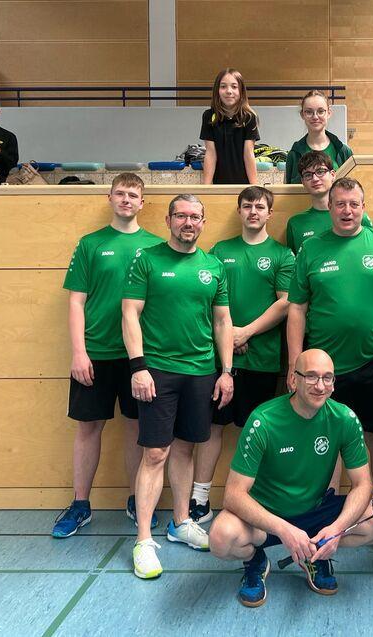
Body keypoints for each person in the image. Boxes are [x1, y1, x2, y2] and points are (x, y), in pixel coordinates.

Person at [209, 349, 373, 607]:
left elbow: (363, 485)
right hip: (267, 517)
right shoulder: (263, 421)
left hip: (316, 512)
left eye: (328, 378)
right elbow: (233, 495)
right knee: (220, 538)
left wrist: (336, 530)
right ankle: (256, 561)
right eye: (311, 377)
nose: (320, 385)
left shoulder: (345, 419)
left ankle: (314, 553)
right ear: (293, 380)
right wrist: (284, 529)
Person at [122, 194, 235, 579]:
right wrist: (138, 366)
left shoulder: (214, 267)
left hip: (201, 372)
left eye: (196, 217)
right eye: (182, 215)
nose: (189, 222)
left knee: (186, 449)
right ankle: (142, 541)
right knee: (155, 453)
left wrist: (227, 371)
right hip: (157, 371)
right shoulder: (148, 259)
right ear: (169, 220)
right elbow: (130, 313)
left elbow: (222, 322)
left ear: (203, 222)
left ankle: (181, 523)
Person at [51, 173, 164, 539]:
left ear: (143, 202)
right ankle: (81, 504)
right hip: (95, 355)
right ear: (110, 197)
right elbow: (76, 302)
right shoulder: (90, 244)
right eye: (120, 193)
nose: (126, 199)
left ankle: (136, 499)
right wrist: (79, 352)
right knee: (88, 428)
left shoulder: (157, 247)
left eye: (133, 194)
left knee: (135, 428)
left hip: (140, 359)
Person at [287, 177, 373, 486]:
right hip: (324, 368)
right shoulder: (311, 249)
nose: (348, 211)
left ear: (363, 208)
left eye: (354, 204)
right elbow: (296, 309)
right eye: (341, 204)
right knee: (325, 441)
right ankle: (326, 513)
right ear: (329, 207)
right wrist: (296, 364)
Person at [190, 186, 295, 523]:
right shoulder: (219, 251)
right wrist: (226, 340)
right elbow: (206, 300)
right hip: (220, 361)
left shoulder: (282, 255)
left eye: (260, 206)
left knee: (258, 430)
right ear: (239, 211)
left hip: (262, 360)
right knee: (212, 427)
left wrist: (245, 332)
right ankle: (200, 498)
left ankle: (254, 498)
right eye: (247, 205)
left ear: (269, 214)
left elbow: (286, 303)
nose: (253, 211)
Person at [284, 150, 373, 253]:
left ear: (332, 174)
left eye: (320, 171)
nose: (315, 178)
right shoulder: (295, 223)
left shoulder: (357, 217)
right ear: (303, 181)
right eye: (308, 175)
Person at [200, 68, 259, 185]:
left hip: (244, 183)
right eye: (223, 86)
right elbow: (211, 153)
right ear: (217, 90)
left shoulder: (249, 117)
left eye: (234, 86)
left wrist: (254, 186)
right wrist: (205, 188)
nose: (229, 91)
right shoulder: (208, 116)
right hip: (219, 183)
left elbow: (248, 153)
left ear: (241, 91)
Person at [284, 90, 353, 184]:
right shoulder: (294, 154)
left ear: (329, 113)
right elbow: (288, 192)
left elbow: (352, 189)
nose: (315, 117)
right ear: (302, 115)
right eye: (309, 112)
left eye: (320, 111)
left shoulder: (343, 151)